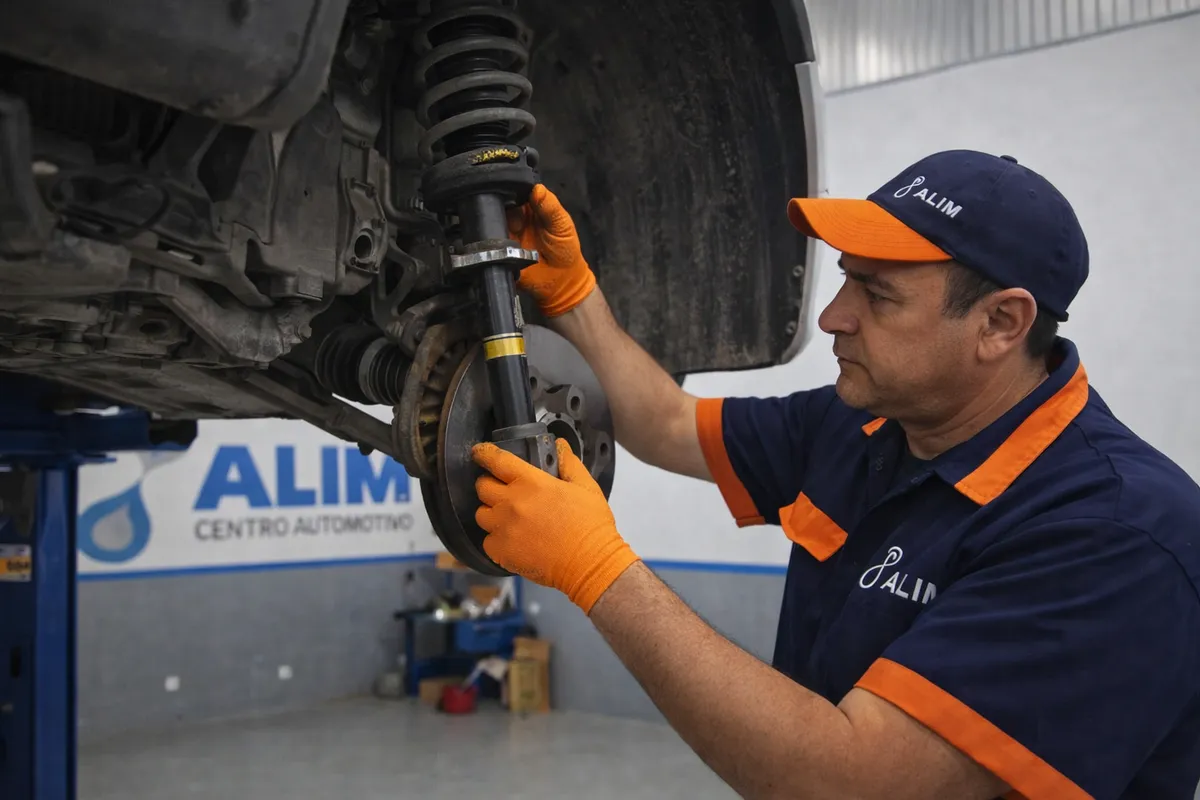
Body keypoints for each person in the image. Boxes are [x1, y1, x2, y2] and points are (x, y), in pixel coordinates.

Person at [471, 150, 1200, 799]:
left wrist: (599, 571)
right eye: (846, 280)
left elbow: (854, 782)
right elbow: (665, 423)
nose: (830, 317)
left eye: (877, 295)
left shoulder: (1118, 532)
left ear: (1001, 324)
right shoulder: (864, 423)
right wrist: (573, 297)